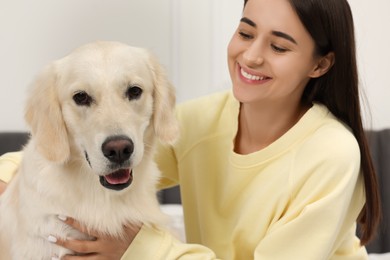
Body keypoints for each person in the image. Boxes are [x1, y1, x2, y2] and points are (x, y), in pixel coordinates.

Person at [0, 0, 381, 259]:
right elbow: (96, 152)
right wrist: (7, 175)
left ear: (320, 64)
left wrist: (142, 249)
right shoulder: (205, 120)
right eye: (246, 33)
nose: (251, 56)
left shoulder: (333, 153)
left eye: (279, 47)